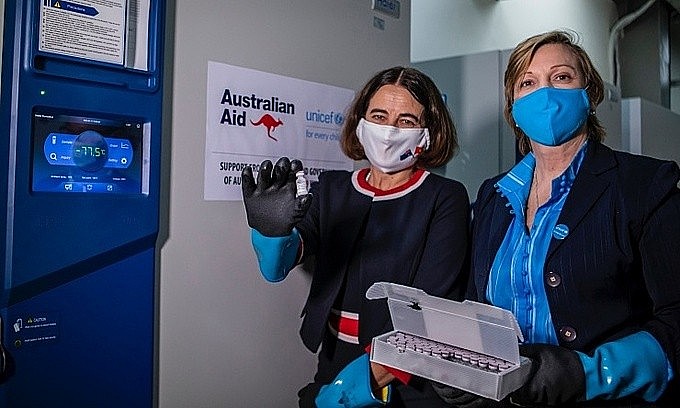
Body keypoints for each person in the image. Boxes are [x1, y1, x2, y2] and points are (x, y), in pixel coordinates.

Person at [431, 30, 680, 407]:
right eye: (527, 83)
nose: (544, 94)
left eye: (561, 77)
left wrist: (587, 374)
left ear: (589, 94)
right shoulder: (493, 196)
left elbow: (675, 319)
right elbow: (475, 304)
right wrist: (462, 366)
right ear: (513, 109)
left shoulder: (644, 185)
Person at [241, 66, 470, 407]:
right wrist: (272, 233)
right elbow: (279, 267)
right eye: (379, 115)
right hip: (335, 356)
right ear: (361, 124)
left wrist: (347, 394)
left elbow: (428, 317)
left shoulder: (444, 197)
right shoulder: (333, 188)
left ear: (427, 134)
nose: (389, 131)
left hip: (407, 374)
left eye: (406, 121)